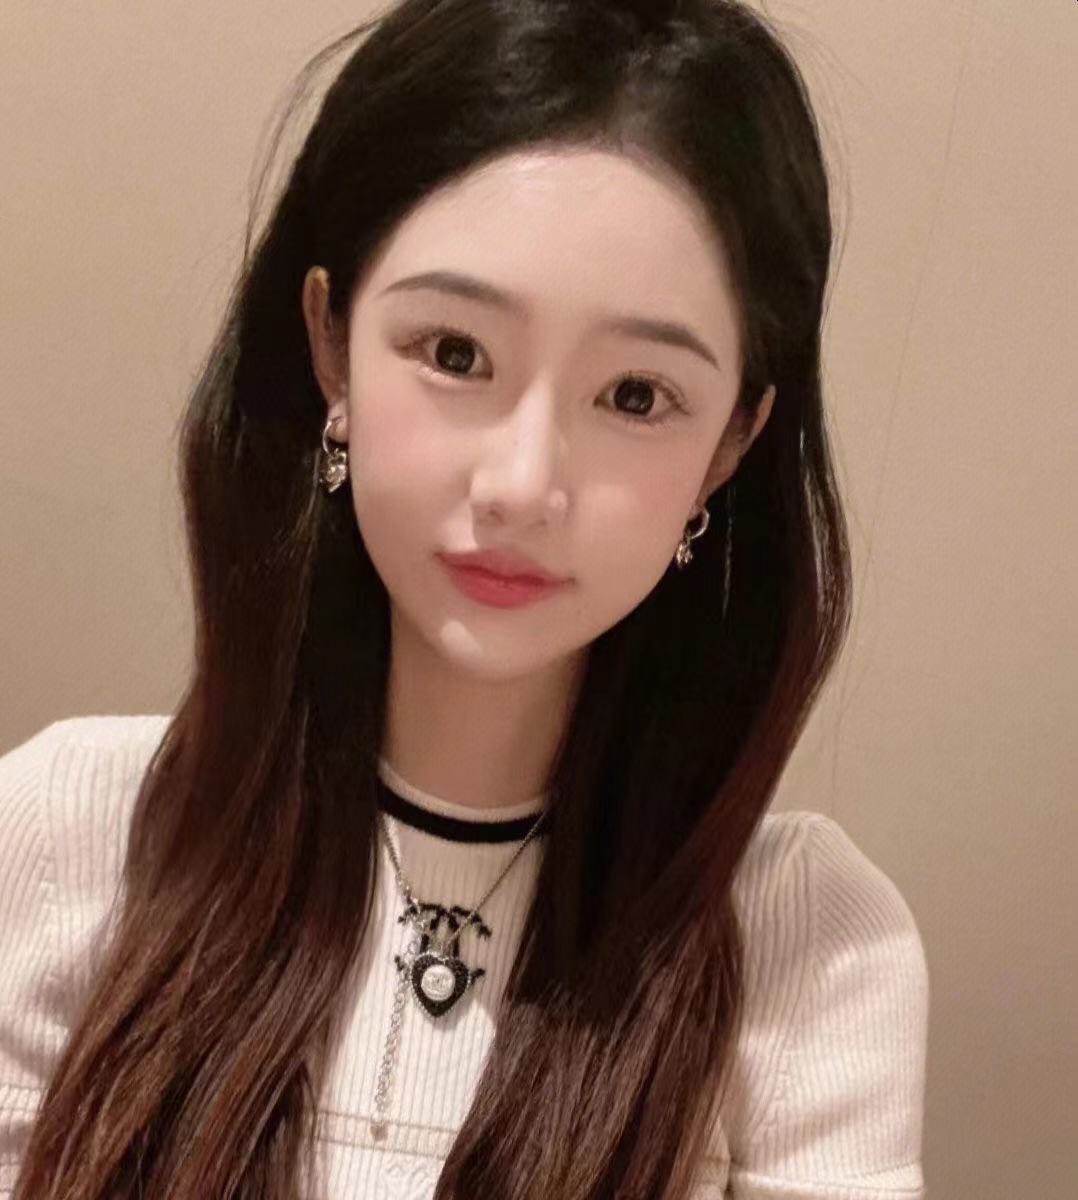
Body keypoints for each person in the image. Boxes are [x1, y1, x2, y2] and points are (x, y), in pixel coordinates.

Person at [0, 1, 929, 1197]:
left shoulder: (805, 946)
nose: (522, 485)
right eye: (454, 354)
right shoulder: (62, 841)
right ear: (331, 344)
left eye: (635, 396)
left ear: (731, 443)